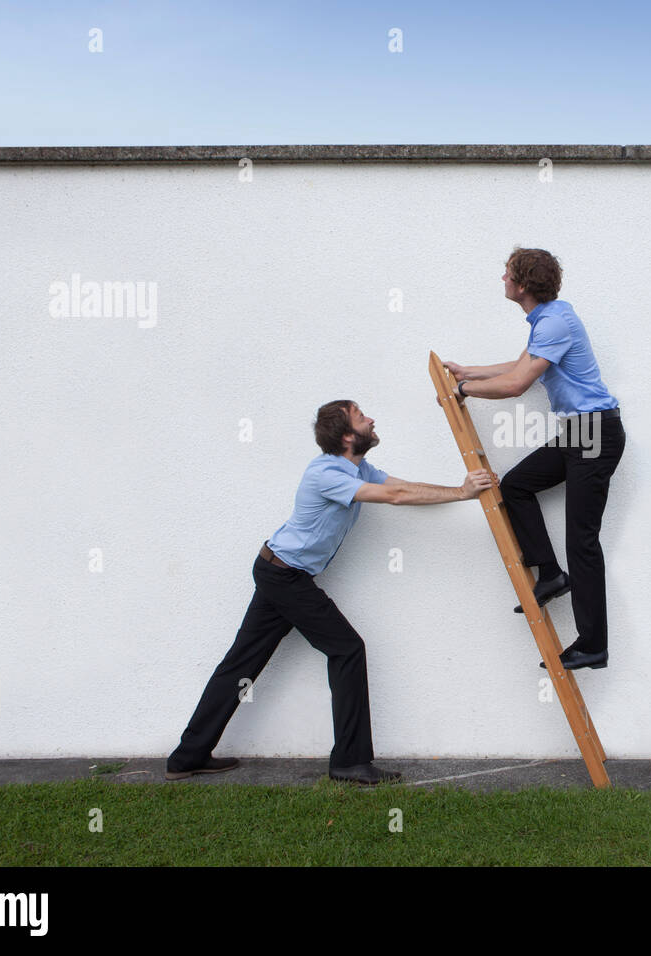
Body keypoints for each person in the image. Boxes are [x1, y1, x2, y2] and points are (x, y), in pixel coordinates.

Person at [165, 400, 497, 785]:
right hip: (284, 576)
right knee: (346, 649)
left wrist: (460, 491)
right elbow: (395, 497)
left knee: (241, 664)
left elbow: (401, 487)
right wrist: (461, 493)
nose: (372, 418)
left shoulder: (358, 468)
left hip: (281, 572)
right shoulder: (326, 473)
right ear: (346, 436)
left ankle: (187, 757)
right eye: (361, 416)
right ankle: (350, 761)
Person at [439, 247, 625, 670]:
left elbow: (518, 383)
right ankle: (550, 575)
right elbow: (519, 364)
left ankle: (593, 643)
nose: (501, 278)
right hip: (582, 432)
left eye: (506, 273)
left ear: (522, 284)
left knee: (582, 540)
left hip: (594, 433)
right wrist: (468, 371)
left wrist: (462, 393)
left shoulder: (555, 321)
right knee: (516, 486)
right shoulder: (548, 320)